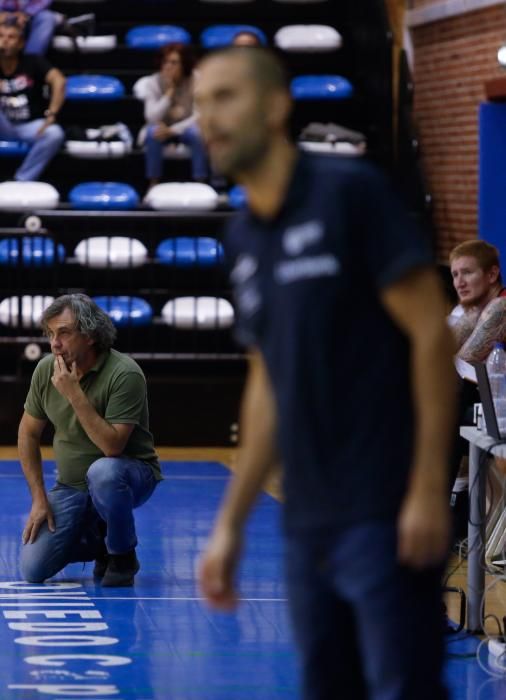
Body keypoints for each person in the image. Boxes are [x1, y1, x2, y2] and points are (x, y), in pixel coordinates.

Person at [196, 47, 457, 700]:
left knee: (404, 687)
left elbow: (430, 333)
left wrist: (427, 487)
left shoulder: (350, 194)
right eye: (200, 103)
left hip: (386, 504)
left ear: (277, 105)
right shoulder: (244, 238)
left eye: (225, 97)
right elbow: (267, 384)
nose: (208, 118)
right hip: (308, 518)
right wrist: (231, 522)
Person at [18, 294, 162, 587]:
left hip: (129, 474)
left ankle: (122, 554)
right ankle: (101, 541)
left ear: (91, 336)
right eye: (50, 334)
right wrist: (39, 499)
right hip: (71, 486)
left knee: (103, 472)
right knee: (33, 569)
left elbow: (112, 447)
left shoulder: (125, 373)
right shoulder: (46, 370)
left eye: (64, 333)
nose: (54, 343)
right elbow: (28, 433)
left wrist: (73, 393)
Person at [447, 240, 506, 538]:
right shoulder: (475, 310)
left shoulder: (501, 307)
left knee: (449, 404)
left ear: (492, 274)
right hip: (496, 408)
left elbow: (461, 357)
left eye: (467, 273)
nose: (458, 282)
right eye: (455, 274)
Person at [134, 42, 209, 190]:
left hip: (186, 127)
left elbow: (199, 115)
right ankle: (153, 184)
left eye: (174, 62)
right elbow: (151, 117)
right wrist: (169, 93)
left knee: (197, 133)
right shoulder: (153, 82)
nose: (168, 66)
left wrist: (173, 130)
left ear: (185, 64)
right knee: (152, 132)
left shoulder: (197, 79)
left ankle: (201, 182)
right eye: (165, 62)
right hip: (161, 128)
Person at [0, 19, 64, 181]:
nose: (5, 41)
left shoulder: (32, 61)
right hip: (3, 124)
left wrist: (52, 114)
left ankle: (21, 180)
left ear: (21, 43)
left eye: (11, 37)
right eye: (1, 36)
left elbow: (59, 80)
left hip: (29, 125)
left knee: (54, 133)